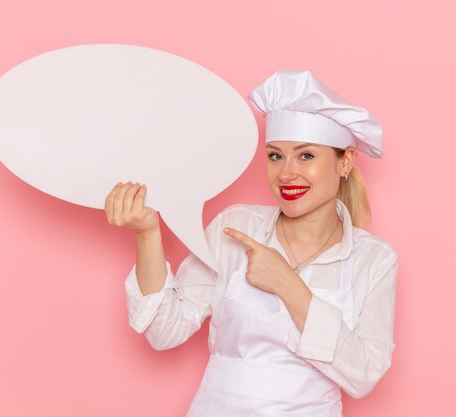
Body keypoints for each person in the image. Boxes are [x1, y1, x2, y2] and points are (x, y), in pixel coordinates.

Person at [105, 70, 398, 417]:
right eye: (275, 155)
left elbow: (364, 374)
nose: (286, 173)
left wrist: (289, 286)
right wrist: (148, 234)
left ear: (345, 161)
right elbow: (165, 331)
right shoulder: (235, 226)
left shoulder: (373, 259)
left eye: (306, 156)